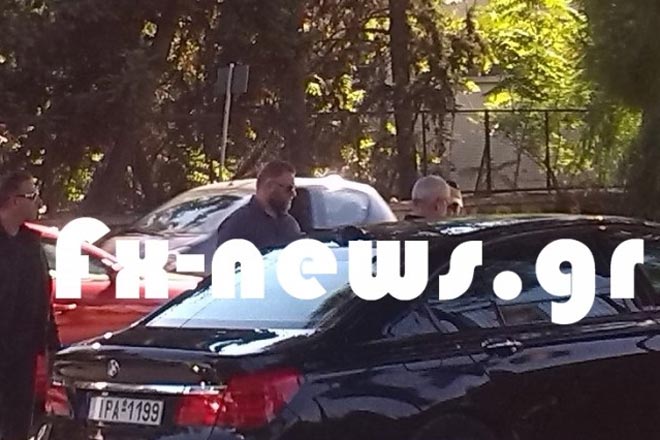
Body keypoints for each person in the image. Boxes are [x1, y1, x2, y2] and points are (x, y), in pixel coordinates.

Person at [0, 170, 60, 440]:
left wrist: (51, 346)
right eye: (32, 196)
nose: (39, 202)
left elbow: (42, 300)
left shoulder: (31, 246)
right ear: (13, 200)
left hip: (21, 357)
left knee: (17, 427)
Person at [216, 160, 303, 251]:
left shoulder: (289, 225)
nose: (294, 194)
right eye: (289, 188)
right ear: (270, 186)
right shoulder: (237, 225)